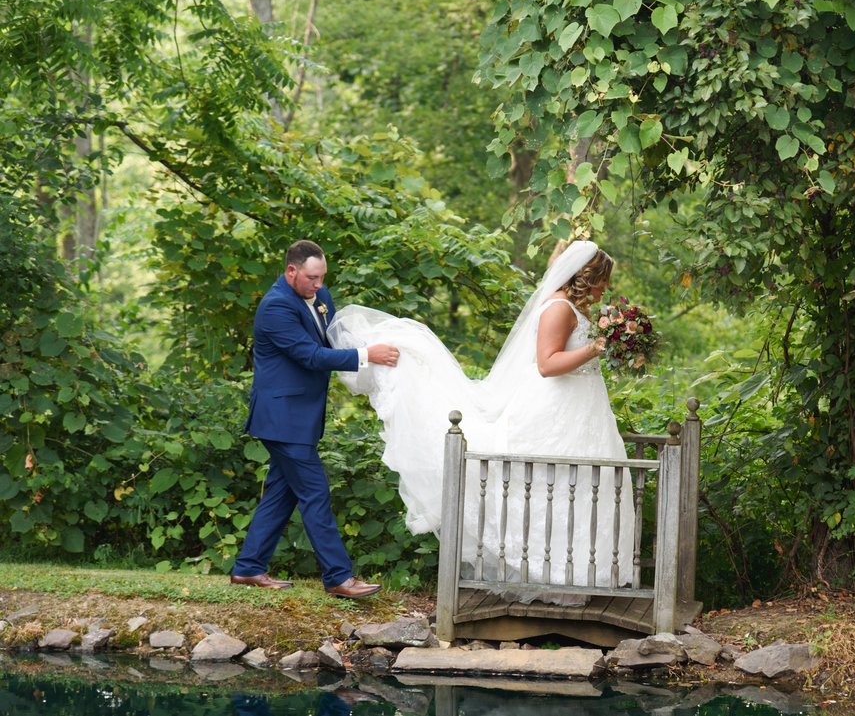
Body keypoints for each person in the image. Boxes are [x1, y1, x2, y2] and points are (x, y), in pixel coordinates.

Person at [327, 241, 634, 593]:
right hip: (555, 408)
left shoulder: (573, 310)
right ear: (588, 276)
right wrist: (597, 347)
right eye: (603, 279)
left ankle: (576, 579)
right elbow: (548, 364)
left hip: (581, 412)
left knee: (577, 485)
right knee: (554, 483)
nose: (606, 288)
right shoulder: (558, 308)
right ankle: (555, 578)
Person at [230, 239, 400, 598]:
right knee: (315, 493)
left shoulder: (319, 297)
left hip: (298, 418)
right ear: (291, 271)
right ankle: (339, 577)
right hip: (281, 417)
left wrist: (372, 344)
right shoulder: (275, 307)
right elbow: (309, 355)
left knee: (281, 494)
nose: (319, 285)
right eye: (311, 278)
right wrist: (366, 355)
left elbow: (335, 338)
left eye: (322, 277)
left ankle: (248, 569)